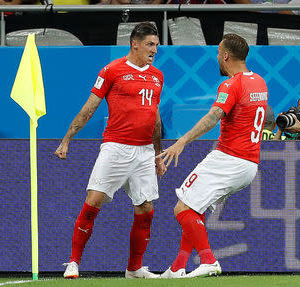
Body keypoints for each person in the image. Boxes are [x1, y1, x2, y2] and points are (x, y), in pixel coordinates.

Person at [54, 22, 166, 279]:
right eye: (150, 44)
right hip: (116, 147)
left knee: (146, 208)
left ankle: (135, 269)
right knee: (94, 200)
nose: (154, 50)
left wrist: (158, 154)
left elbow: (155, 118)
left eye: (156, 45)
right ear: (134, 44)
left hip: (145, 151)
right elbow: (90, 106)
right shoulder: (112, 70)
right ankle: (73, 262)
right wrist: (67, 139)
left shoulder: (157, 76)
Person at [158, 33, 268, 278]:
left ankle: (208, 260)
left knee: (182, 209)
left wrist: (182, 141)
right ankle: (177, 268)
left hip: (228, 158)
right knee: (194, 209)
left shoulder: (231, 84)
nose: (217, 57)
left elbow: (213, 116)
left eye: (219, 52)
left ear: (226, 55)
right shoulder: (259, 82)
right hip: (249, 164)